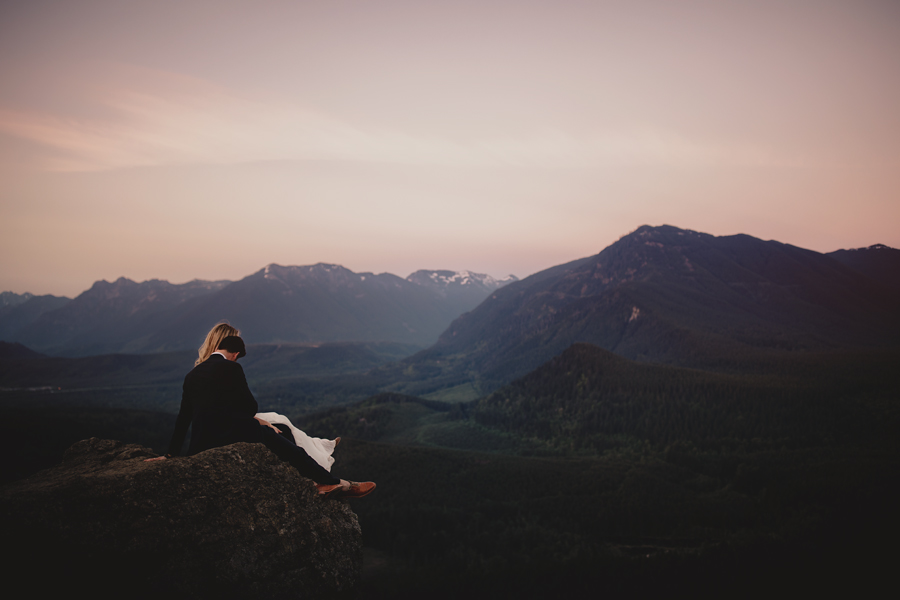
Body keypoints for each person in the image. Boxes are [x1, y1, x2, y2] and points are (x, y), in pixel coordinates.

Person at [147, 333, 373, 499]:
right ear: (235, 354)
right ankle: (333, 483)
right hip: (231, 433)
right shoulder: (232, 368)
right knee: (287, 446)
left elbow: (184, 417)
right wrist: (256, 420)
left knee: (281, 430)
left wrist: (170, 454)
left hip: (200, 443)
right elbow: (249, 406)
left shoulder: (192, 375)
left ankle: (320, 479)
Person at [192, 323, 338, 471]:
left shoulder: (203, 370)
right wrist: (260, 422)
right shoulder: (223, 371)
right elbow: (232, 411)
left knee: (280, 420)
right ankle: (317, 462)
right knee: (281, 427)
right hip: (225, 429)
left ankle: (319, 449)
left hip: (226, 423)